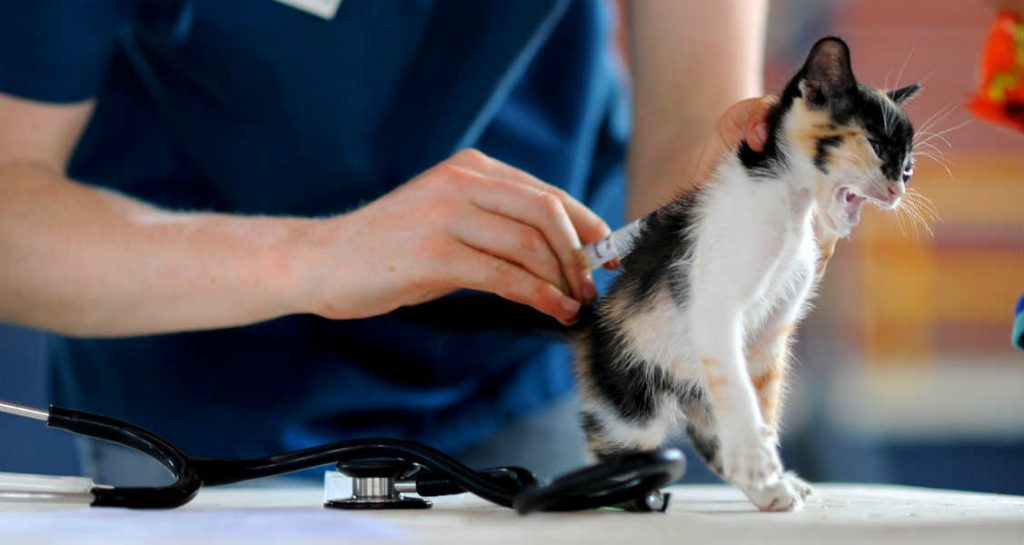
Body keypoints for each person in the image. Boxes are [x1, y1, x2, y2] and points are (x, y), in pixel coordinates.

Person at [0, 1, 770, 483]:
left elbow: (693, 124)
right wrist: (323, 257)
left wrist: (713, 251)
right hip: (197, 385)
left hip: (532, 365)